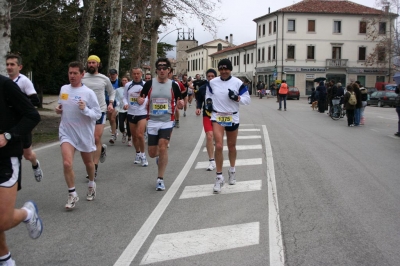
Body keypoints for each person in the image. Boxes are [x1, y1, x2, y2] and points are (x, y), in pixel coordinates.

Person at [0, 73, 42, 265]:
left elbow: (32, 115)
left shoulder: (5, 85)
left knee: (2, 221)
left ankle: (27, 213)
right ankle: (5, 259)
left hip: (4, 159)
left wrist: (9, 135)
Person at [55, 61, 101, 209]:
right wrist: (59, 109)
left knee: (88, 163)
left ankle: (92, 184)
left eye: (75, 73)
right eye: (70, 73)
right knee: (67, 163)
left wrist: (85, 109)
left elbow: (97, 114)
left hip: (84, 133)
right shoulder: (64, 89)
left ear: (82, 74)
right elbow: (61, 104)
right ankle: (72, 194)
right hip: (67, 132)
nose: (72, 76)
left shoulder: (88, 93)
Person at [137, 58, 184, 191]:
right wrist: (140, 100)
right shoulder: (149, 84)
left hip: (167, 121)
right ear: (156, 70)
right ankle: (159, 158)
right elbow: (141, 97)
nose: (162, 70)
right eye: (159, 68)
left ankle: (160, 179)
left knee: (163, 146)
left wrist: (181, 104)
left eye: (165, 68)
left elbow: (180, 101)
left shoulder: (174, 85)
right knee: (152, 153)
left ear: (169, 70)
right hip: (152, 121)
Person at [206, 58, 251, 193]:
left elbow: (247, 100)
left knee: (231, 146)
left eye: (226, 69)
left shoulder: (238, 83)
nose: (224, 71)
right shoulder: (212, 82)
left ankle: (232, 170)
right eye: (221, 69)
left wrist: (237, 98)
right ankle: (219, 177)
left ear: (230, 70)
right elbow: (208, 95)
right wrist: (208, 102)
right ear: (219, 70)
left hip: (232, 116)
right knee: (218, 145)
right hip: (217, 116)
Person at [5, 54, 43, 182]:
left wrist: (19, 104)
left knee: (27, 154)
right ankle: (11, 178)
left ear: (19, 67)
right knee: (11, 152)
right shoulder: (5, 82)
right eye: (7, 64)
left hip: (23, 123)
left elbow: (35, 100)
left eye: (12, 64)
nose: (9, 67)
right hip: (10, 124)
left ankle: (35, 164)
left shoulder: (24, 81)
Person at [82, 55, 115, 179]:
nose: (91, 65)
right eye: (89, 63)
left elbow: (112, 91)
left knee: (96, 138)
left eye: (93, 63)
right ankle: (101, 150)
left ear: (98, 64)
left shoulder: (104, 78)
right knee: (89, 140)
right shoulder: (82, 77)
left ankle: (94, 168)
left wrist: (110, 103)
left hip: (100, 111)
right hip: (85, 112)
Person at [123, 67, 148, 166]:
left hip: (142, 113)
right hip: (131, 113)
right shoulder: (128, 85)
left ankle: (143, 155)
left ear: (141, 74)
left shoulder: (145, 85)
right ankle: (137, 153)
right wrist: (125, 104)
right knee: (134, 136)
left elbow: (149, 97)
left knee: (140, 135)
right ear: (132, 75)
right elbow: (125, 97)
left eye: (138, 73)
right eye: (134, 74)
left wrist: (144, 102)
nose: (136, 75)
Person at [195, 69, 217, 171]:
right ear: (206, 77)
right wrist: (198, 108)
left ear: (216, 77)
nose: (211, 78)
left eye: (213, 76)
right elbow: (199, 100)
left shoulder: (221, 87)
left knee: (218, 139)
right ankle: (211, 161)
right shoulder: (203, 88)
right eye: (209, 76)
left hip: (219, 116)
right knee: (209, 136)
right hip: (207, 115)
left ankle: (218, 155)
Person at [116, 76, 131, 146]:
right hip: (121, 109)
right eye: (123, 80)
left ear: (128, 81)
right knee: (121, 125)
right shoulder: (118, 90)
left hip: (129, 110)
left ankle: (129, 139)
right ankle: (124, 133)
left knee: (129, 125)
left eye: (126, 80)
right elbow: (116, 98)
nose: (124, 82)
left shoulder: (131, 89)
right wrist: (117, 102)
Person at [108, 69, 121, 144]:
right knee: (110, 119)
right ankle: (115, 130)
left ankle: (113, 135)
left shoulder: (119, 82)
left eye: (114, 74)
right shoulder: (107, 81)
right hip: (108, 102)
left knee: (112, 118)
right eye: (111, 74)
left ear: (116, 74)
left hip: (117, 103)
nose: (112, 76)